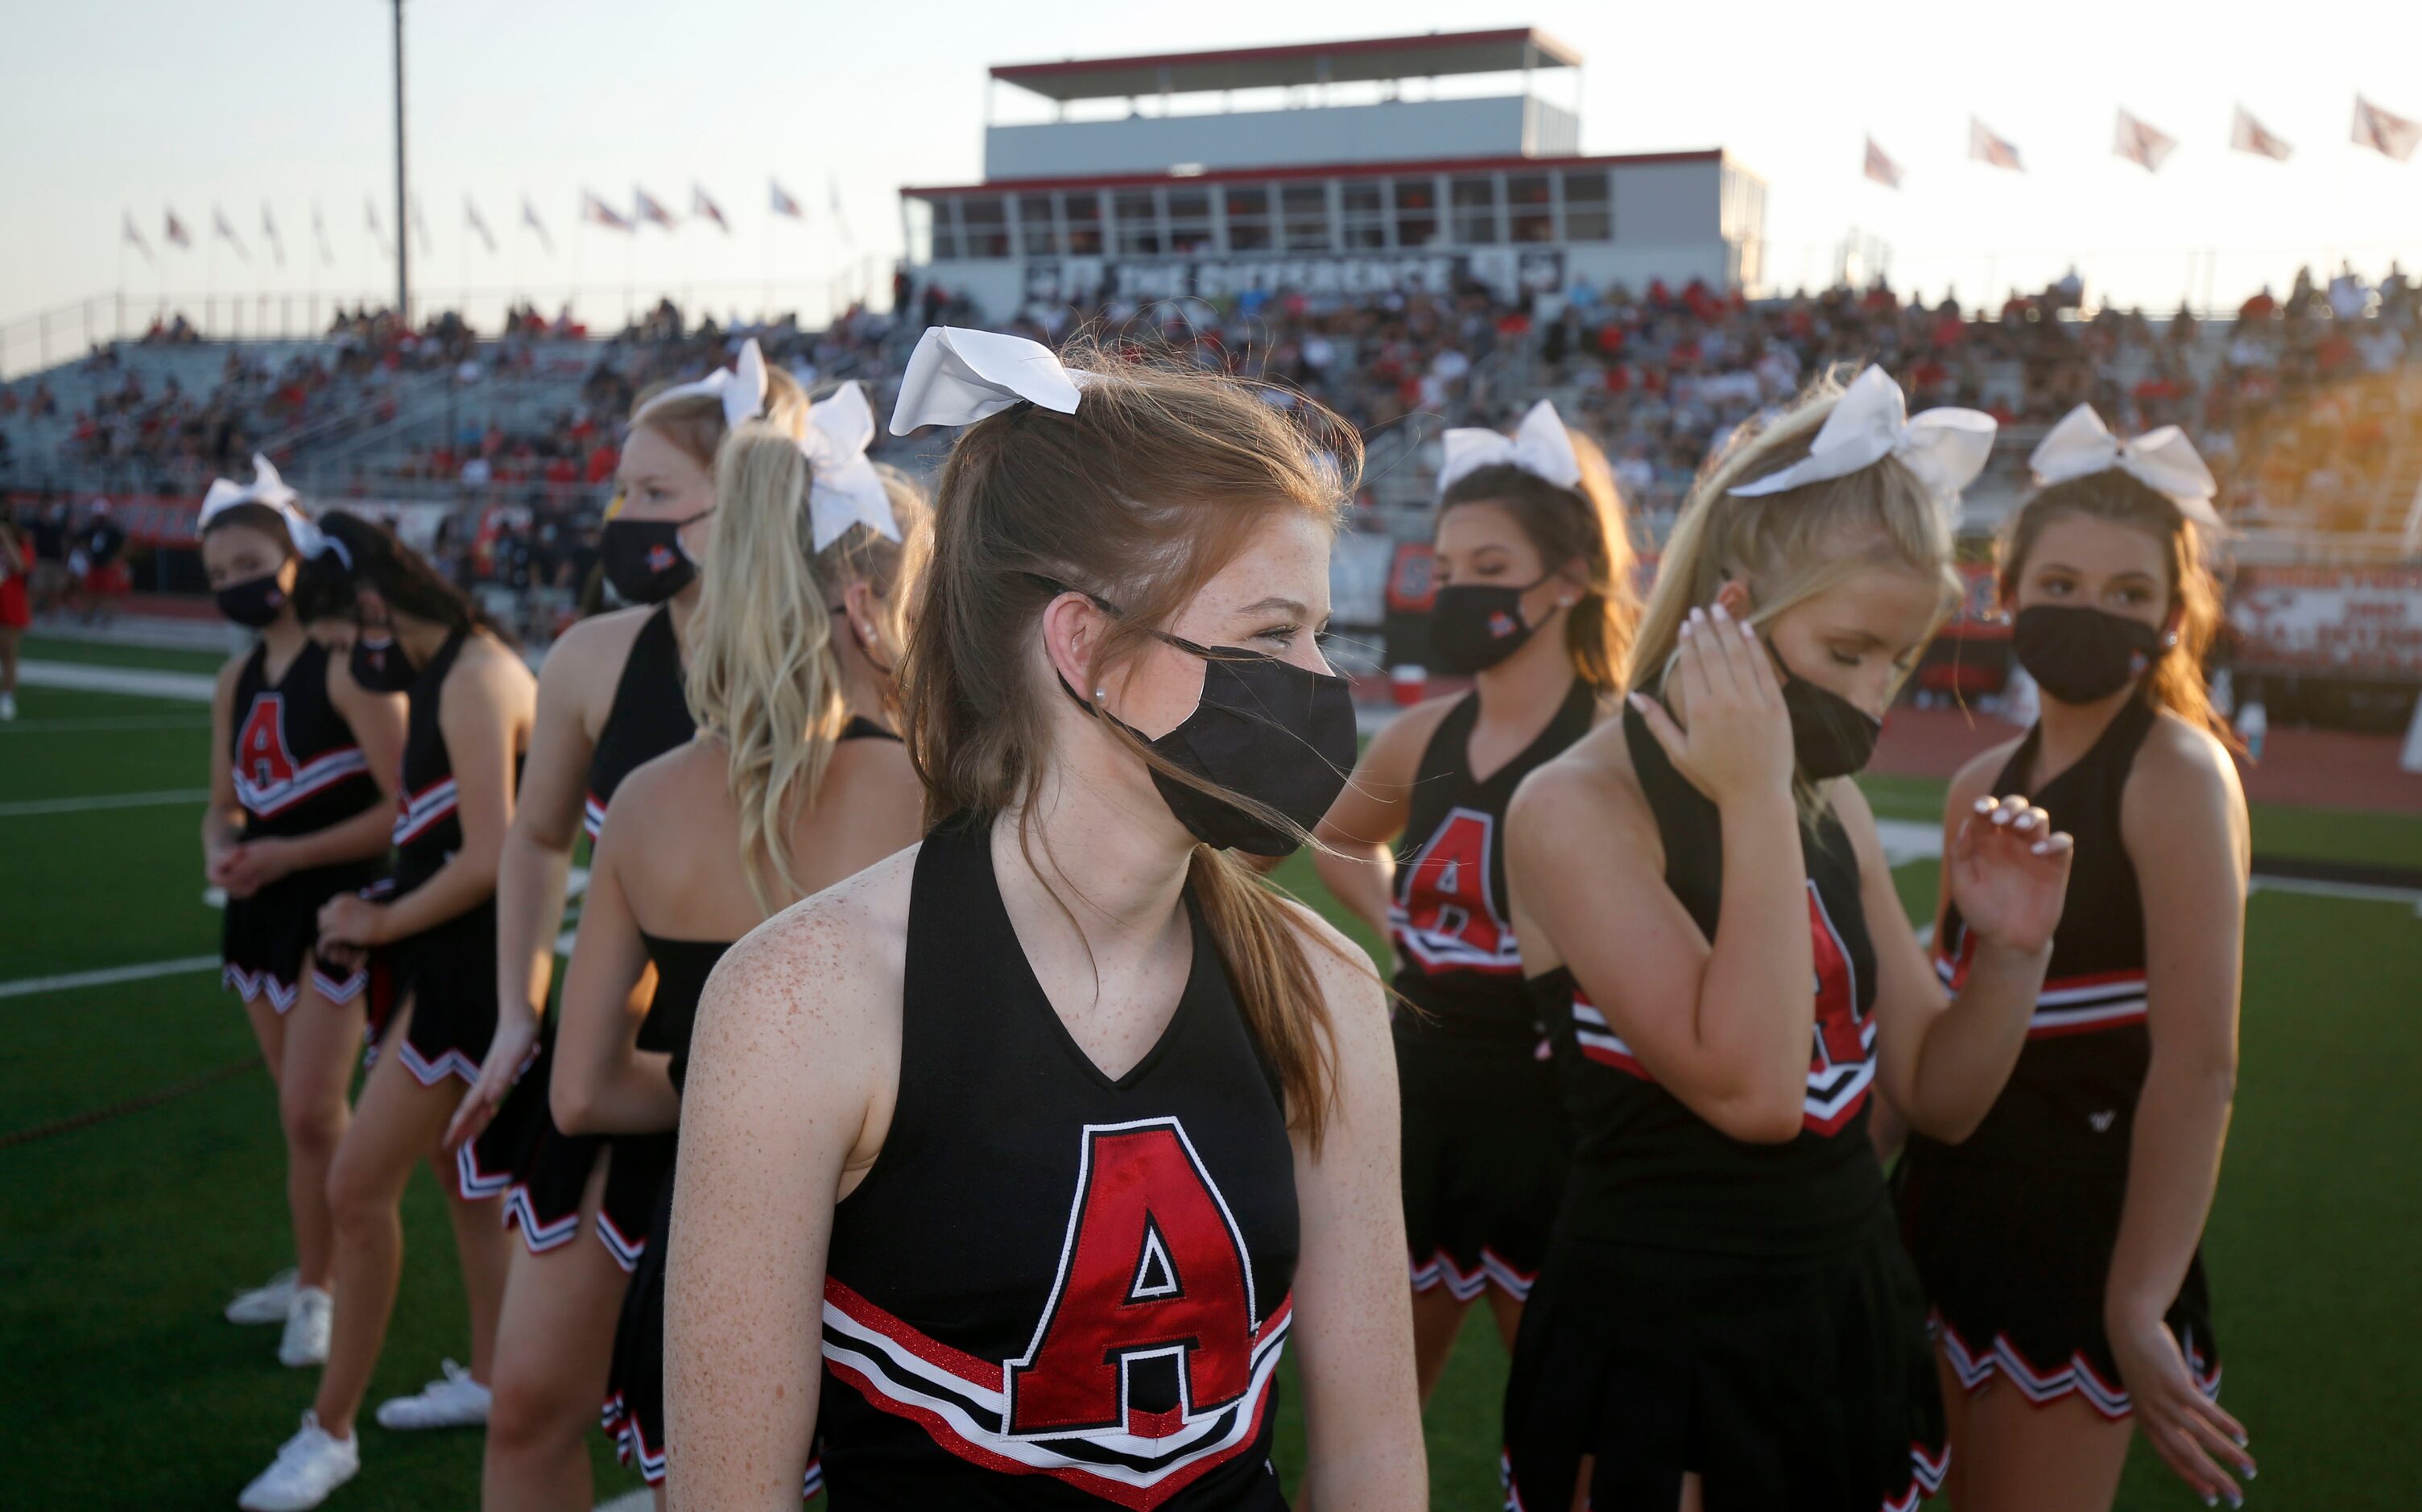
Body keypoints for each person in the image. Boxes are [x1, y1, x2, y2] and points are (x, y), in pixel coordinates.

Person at [666, 328, 1426, 1507]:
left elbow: (1374, 1453)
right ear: (1084, 648)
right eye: (1274, 634)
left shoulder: (1324, 985)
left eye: (1318, 633)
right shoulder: (800, 1003)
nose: (1322, 685)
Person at [1501, 366, 2077, 1512]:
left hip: (1842, 1299)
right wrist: (1757, 795)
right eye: (1850, 648)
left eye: (1898, 663)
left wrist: (2012, 951)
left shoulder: (1830, 798)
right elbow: (1758, 1091)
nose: (1873, 698)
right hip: (1664, 1326)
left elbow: (1935, 1094)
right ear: (1733, 604)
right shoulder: (1575, 807)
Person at [434, 341, 808, 1510]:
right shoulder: (593, 656)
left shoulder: (836, 667)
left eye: (654, 496)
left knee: (736, 1461)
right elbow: (539, 838)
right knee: (531, 1407)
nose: (622, 517)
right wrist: (516, 1009)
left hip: (782, 1101)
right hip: (604, 1076)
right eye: (621, 490)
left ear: (744, 501)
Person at [549, 411, 930, 1506]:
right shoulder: (945, 796)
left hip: (709, 1240)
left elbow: (583, 1091)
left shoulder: (644, 806)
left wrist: (751, 1094)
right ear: (870, 606)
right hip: (907, 1258)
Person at [1895, 407, 2256, 1510]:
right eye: (2058, 585)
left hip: (2077, 1228)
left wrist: (2139, 1297)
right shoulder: (1978, 782)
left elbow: (2199, 1065)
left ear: (2172, 618)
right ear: (2005, 592)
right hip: (1941, 1209)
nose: (2088, 612)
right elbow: (1940, 1008)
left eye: (2128, 594)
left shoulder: (2176, 772)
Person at [1310, 399, 1638, 1400]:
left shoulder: (1626, 743)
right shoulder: (1423, 738)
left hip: (1566, 1110)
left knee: (1571, 1430)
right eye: (1449, 572)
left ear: (1571, 579)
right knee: (1369, 1420)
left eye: (1490, 572)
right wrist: (1393, 921)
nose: (1459, 593)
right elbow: (1334, 840)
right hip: (1423, 1090)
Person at [238, 512, 537, 1512]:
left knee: (357, 1190)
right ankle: (492, 1378)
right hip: (437, 961)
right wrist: (379, 920)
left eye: (332, 639)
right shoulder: (440, 667)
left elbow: (493, 856)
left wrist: (378, 916)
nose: (336, 659)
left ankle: (330, 1432)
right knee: (462, 1184)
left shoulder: (475, 674)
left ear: (370, 609)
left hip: (465, 972)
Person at [200, 458, 407, 1361]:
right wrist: (220, 846)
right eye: (217, 575)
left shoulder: (348, 669)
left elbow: (407, 808)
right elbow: (222, 798)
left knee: (314, 1114)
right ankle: (310, 1265)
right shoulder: (234, 679)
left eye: (249, 563)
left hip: (339, 914)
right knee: (298, 1115)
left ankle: (324, 1289)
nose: (235, 585)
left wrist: (288, 854)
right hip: (259, 916)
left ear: (291, 556)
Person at [0, 511, 28, 719]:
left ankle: (7, 697)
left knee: (9, 654)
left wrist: (6, 539)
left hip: (10, 605)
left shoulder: (21, 544)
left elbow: (20, 566)